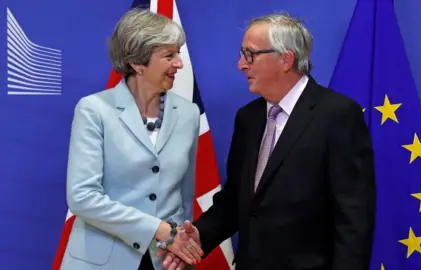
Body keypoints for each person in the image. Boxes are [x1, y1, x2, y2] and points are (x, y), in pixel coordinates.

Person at [163, 12, 377, 270]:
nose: (241, 64)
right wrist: (200, 235)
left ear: (285, 59)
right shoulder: (248, 118)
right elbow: (235, 201)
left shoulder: (337, 115)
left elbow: (353, 219)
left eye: (250, 54)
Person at [60, 8, 203, 270]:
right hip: (100, 261)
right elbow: (83, 197)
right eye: (169, 55)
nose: (179, 63)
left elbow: (184, 198)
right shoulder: (94, 110)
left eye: (178, 53)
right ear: (137, 63)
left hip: (165, 261)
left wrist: (180, 246)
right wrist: (159, 230)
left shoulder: (189, 113)